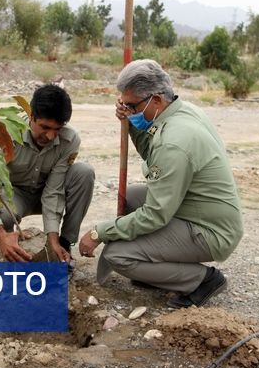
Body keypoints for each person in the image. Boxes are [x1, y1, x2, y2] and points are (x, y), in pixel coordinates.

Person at [78, 59, 243, 308]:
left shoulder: (175, 141)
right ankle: (157, 271)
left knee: (117, 255)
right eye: (124, 105)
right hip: (199, 211)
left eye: (132, 106)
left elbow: (155, 215)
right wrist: (131, 124)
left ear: (155, 100)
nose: (128, 110)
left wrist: (99, 232)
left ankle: (202, 280)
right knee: (133, 195)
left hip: (210, 231)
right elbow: (153, 153)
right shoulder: (181, 112)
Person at [0, 84, 95, 266]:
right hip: (15, 194)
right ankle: (9, 243)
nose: (50, 136)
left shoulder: (70, 139)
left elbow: (54, 190)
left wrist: (53, 239)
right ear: (31, 115)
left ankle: (63, 247)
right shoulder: (4, 133)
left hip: (47, 191)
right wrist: (0, 235)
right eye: (45, 127)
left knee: (84, 173)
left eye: (57, 129)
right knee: (4, 216)